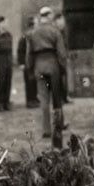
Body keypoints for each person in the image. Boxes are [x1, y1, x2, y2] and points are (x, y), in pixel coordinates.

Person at [26, 7, 67, 138]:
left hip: (39, 66)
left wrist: (30, 68)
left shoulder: (32, 33)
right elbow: (61, 52)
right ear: (48, 16)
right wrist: (63, 67)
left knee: (43, 99)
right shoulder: (54, 31)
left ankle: (46, 129)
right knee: (56, 97)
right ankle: (58, 125)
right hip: (53, 65)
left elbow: (29, 54)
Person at [16, 17, 40, 109]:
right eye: (36, 23)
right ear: (32, 24)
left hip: (34, 62)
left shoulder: (36, 35)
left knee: (34, 81)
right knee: (29, 82)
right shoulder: (25, 37)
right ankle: (30, 101)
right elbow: (20, 50)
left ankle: (34, 98)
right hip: (27, 63)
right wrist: (21, 63)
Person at [55, 12, 72, 104]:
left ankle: (65, 97)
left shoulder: (64, 32)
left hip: (64, 58)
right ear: (56, 22)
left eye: (63, 21)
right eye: (60, 21)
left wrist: (67, 55)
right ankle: (60, 98)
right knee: (58, 78)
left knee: (65, 78)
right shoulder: (55, 32)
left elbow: (66, 45)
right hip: (57, 58)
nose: (62, 23)